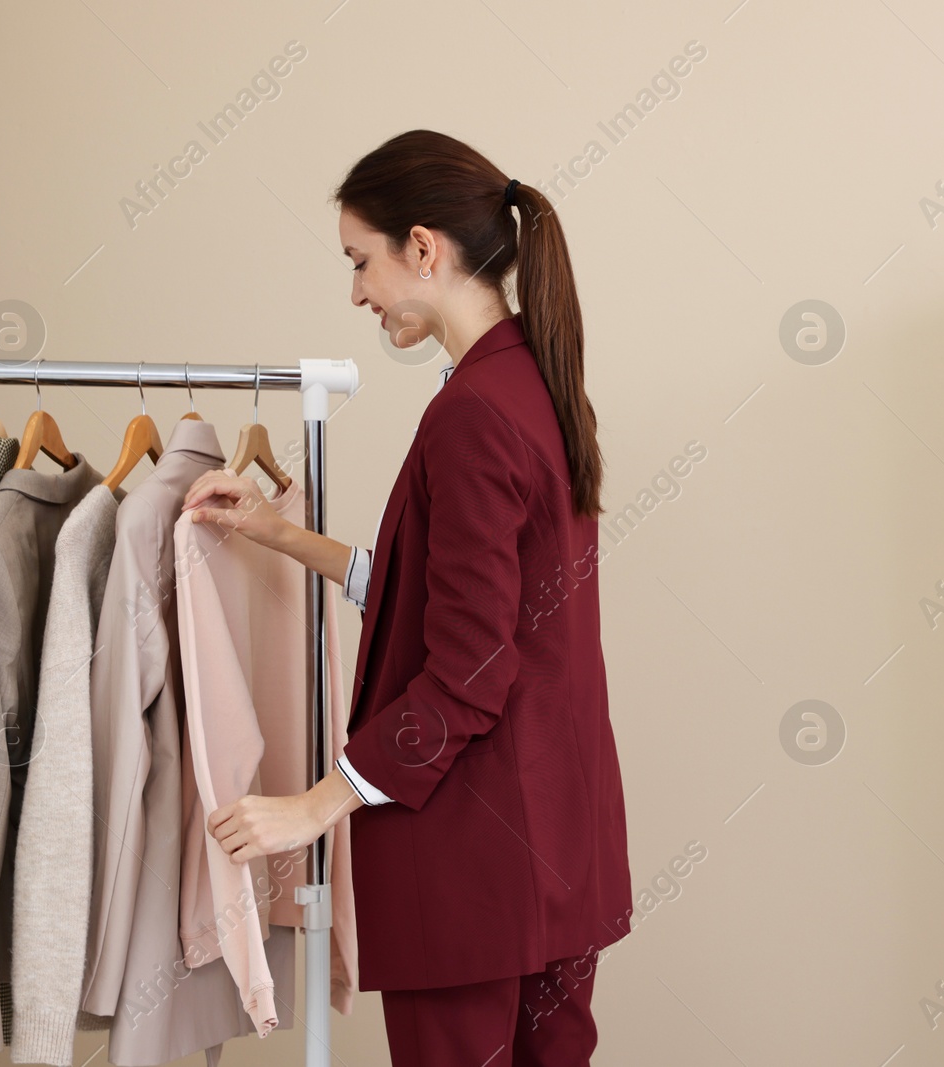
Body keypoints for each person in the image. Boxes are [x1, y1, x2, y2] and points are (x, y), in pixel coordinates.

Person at [179, 129, 633, 1066]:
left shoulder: (470, 411)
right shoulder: (537, 383)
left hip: (474, 869)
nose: (356, 294)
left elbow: (466, 669)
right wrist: (281, 535)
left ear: (423, 248)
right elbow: (464, 604)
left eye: (361, 261)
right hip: (558, 851)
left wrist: (313, 804)